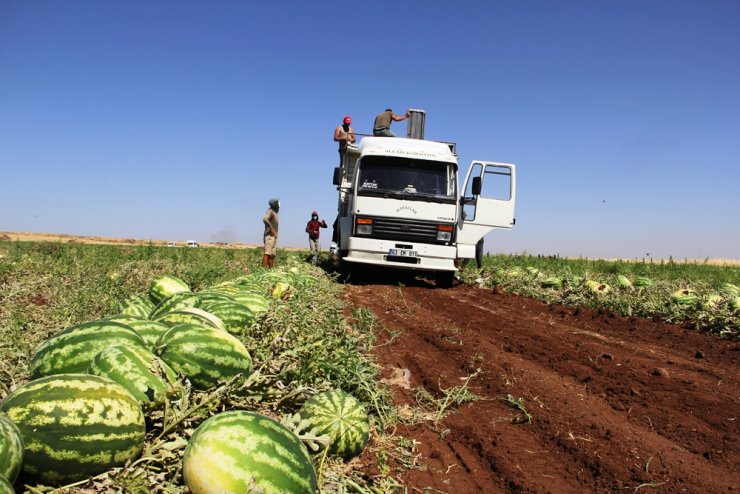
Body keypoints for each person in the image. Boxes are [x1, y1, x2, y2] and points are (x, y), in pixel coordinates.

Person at [262, 198, 279, 269]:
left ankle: (271, 271)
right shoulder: (270, 211)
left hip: (274, 236)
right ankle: (262, 271)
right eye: (277, 203)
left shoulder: (275, 212)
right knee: (267, 253)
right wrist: (271, 228)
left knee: (272, 255)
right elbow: (264, 219)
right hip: (269, 236)